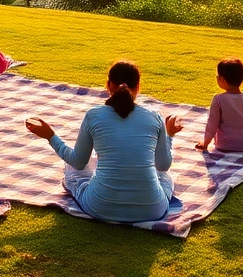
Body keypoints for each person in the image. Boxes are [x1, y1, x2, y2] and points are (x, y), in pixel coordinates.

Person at [26, 61, 183, 223]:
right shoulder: (154, 117)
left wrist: (51, 136)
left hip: (100, 206)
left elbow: (78, 162)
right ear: (138, 87)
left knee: (71, 170)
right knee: (164, 177)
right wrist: (169, 135)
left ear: (108, 85)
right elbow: (163, 166)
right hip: (152, 209)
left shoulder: (94, 115)